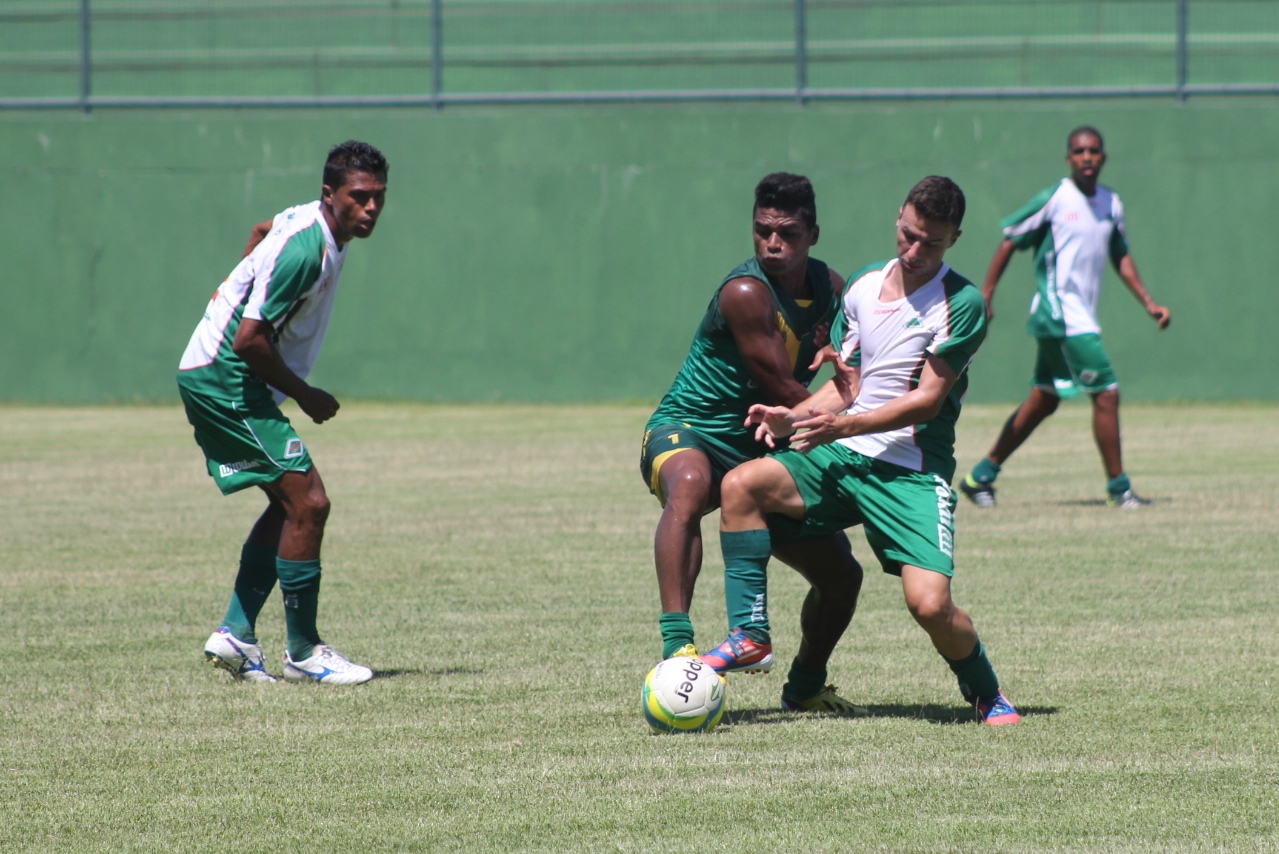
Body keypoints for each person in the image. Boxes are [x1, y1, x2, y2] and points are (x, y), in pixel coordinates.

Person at [707, 176, 1020, 723]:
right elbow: (849, 386)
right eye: (909, 234)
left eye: (933, 242)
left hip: (910, 471)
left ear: (955, 239)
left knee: (930, 605)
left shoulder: (962, 302)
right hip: (844, 456)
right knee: (740, 486)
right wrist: (794, 416)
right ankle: (751, 635)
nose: (916, 251)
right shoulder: (861, 285)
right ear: (898, 216)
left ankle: (987, 693)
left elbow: (926, 401)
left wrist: (841, 428)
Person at [641, 173, 866, 713]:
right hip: (689, 428)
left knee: (842, 578)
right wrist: (855, 413)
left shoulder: (832, 288)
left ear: (813, 232)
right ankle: (678, 649)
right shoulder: (744, 293)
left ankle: (806, 686)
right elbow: (785, 392)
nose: (772, 242)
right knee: (691, 487)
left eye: (787, 232)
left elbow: (855, 368)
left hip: (763, 444)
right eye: (762, 230)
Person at [177, 140, 388, 685]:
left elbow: (261, 229)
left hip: (220, 374)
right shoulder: (305, 251)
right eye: (358, 197)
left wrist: (237, 280)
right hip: (226, 379)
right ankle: (304, 652)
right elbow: (249, 340)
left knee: (288, 505)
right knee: (310, 502)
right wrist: (307, 395)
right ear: (330, 194)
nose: (369, 208)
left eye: (377, 198)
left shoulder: (307, 222)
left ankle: (235, 635)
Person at [959, 126, 1172, 509]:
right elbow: (1010, 238)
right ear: (1069, 158)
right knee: (1106, 394)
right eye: (1079, 151)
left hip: (1078, 316)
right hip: (1059, 314)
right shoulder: (1056, 198)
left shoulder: (1111, 203)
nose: (1086, 157)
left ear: (1103, 157)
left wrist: (1148, 302)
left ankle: (980, 477)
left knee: (1044, 399)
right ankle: (1119, 489)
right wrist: (987, 294)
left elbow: (1120, 255)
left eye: (1093, 151)